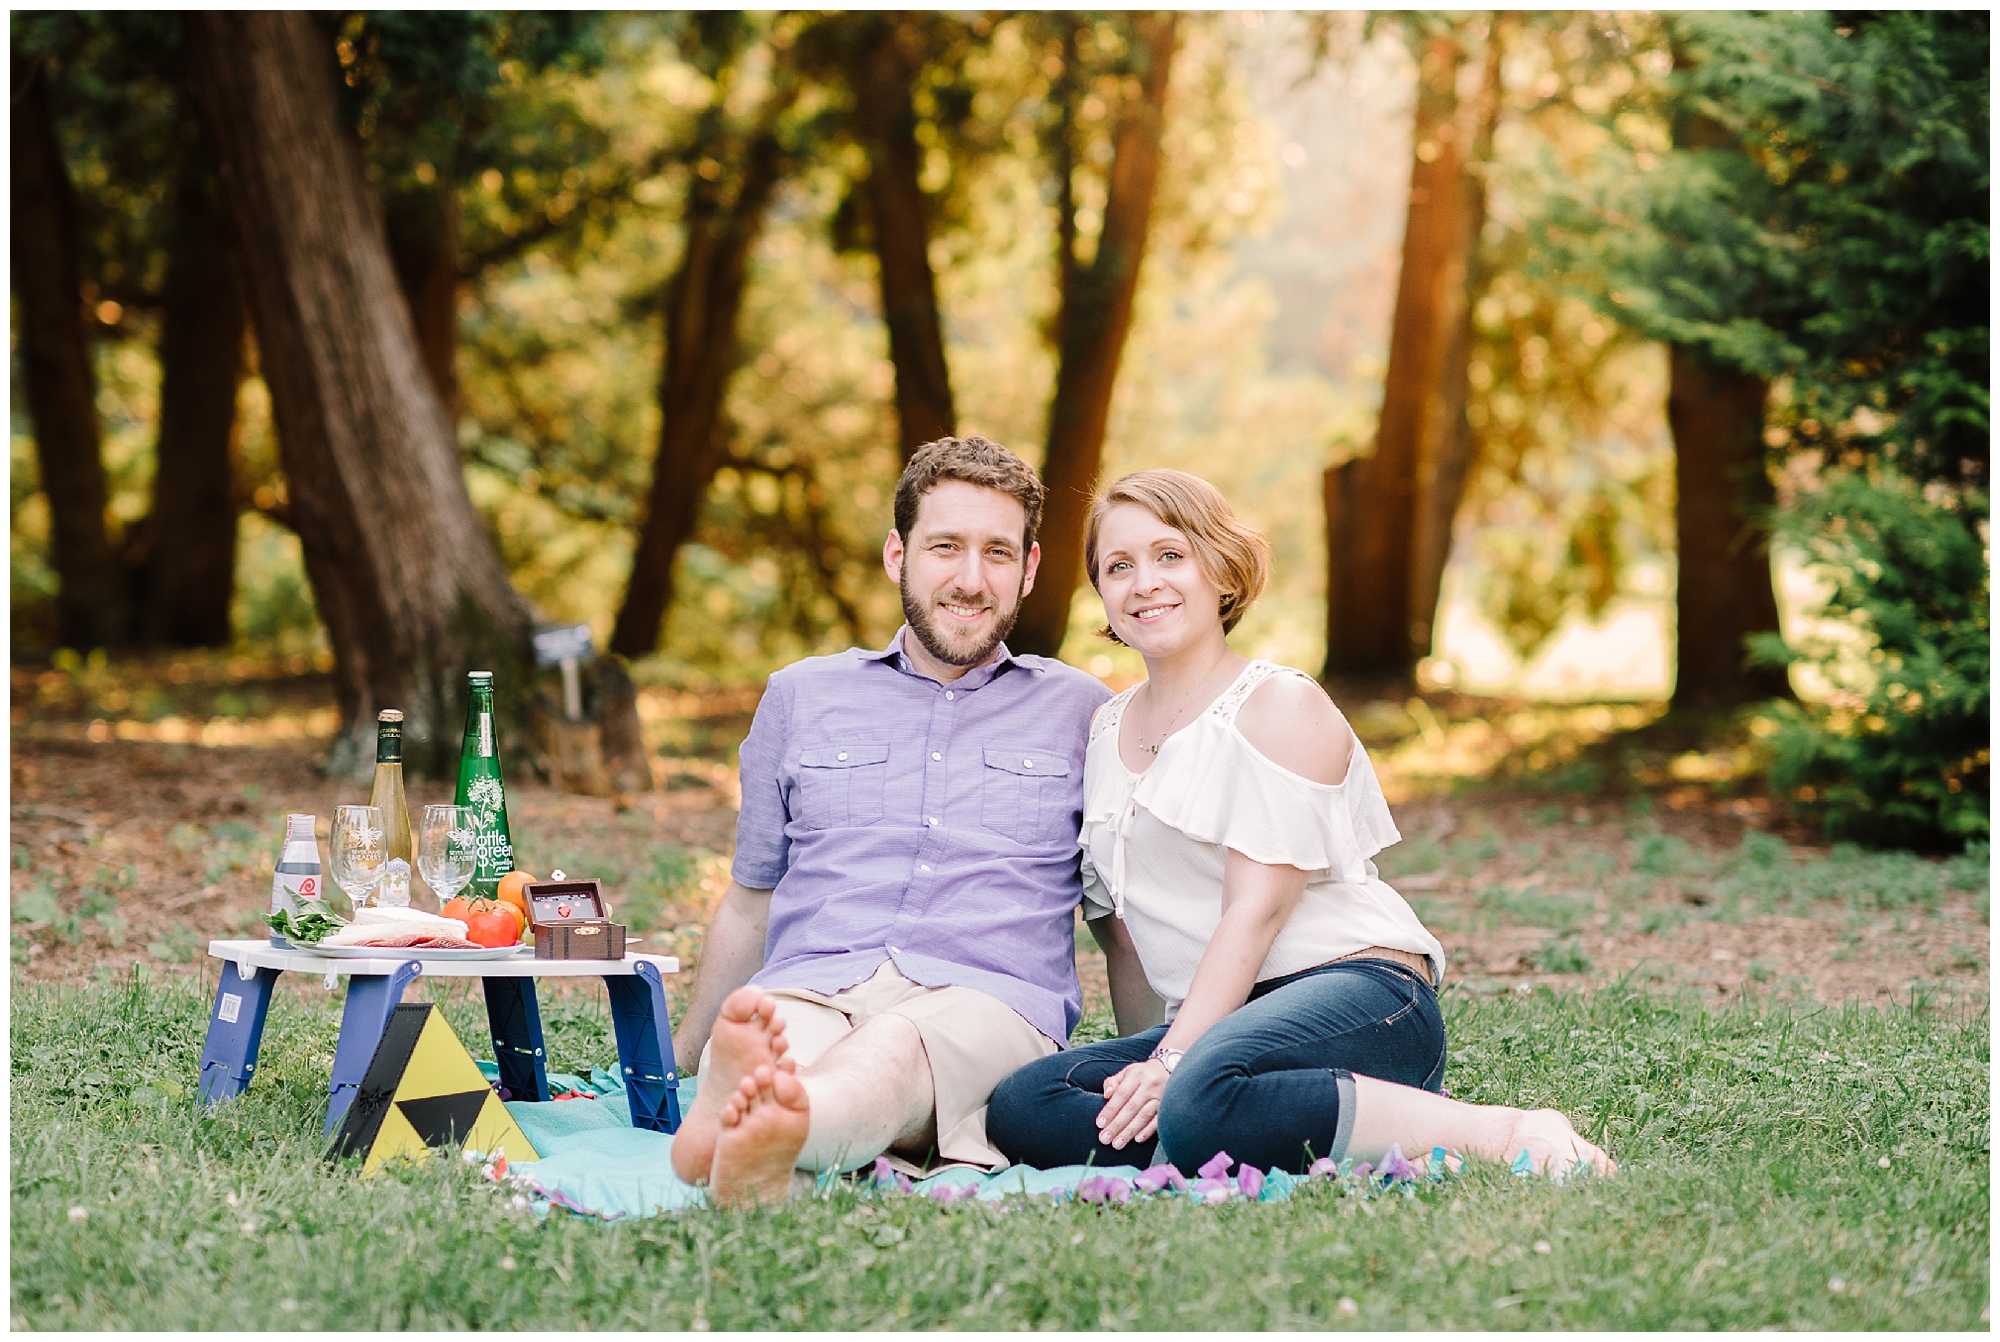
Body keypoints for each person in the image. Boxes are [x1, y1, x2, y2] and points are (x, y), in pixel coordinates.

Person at [985, 469, 1615, 1179]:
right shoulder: (1104, 730)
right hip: (1218, 1026)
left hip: (1357, 994)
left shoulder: (1278, 705)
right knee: (1026, 1102)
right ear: (1100, 591)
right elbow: (1125, 940)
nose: (1144, 582)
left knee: (1201, 1095)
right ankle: (1245, 1120)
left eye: (1170, 555)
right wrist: (1149, 1071)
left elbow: (1254, 914)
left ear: (1219, 568)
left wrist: (1172, 1062)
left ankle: (1505, 1132)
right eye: (1119, 566)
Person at [667, 436, 1158, 1206]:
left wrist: (1149, 1062)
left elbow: (1116, 919)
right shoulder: (799, 697)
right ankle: (754, 1147)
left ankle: (765, 1127)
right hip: (814, 983)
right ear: (898, 555)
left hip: (986, 1003)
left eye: (998, 552)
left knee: (891, 1052)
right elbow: (751, 896)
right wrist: (686, 1056)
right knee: (783, 1041)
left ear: (1029, 569)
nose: (970, 579)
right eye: (944, 548)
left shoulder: (1087, 715)